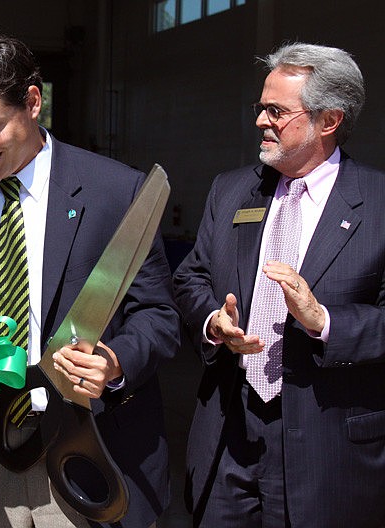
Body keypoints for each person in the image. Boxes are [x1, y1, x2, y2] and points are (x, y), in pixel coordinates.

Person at [0, 35, 179, 528]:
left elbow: (159, 316)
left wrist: (113, 361)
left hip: (86, 442)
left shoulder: (116, 191)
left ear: (32, 101)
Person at [173, 42, 385, 527]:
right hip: (228, 436)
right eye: (260, 107)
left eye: (276, 111)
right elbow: (192, 276)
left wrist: (325, 321)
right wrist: (212, 321)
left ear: (328, 121)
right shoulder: (231, 190)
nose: (259, 121)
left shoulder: (377, 203)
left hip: (328, 451)